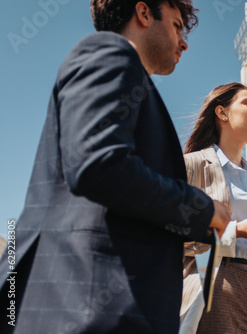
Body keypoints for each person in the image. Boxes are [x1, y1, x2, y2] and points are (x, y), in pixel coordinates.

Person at [0, 1, 231, 333]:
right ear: (144, 12)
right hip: (84, 308)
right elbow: (98, 164)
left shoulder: (132, 81)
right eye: (178, 25)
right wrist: (202, 210)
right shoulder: (109, 52)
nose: (184, 42)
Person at [181, 83, 247, 333]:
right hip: (216, 286)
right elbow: (171, 234)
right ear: (222, 113)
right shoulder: (192, 166)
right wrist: (235, 232)